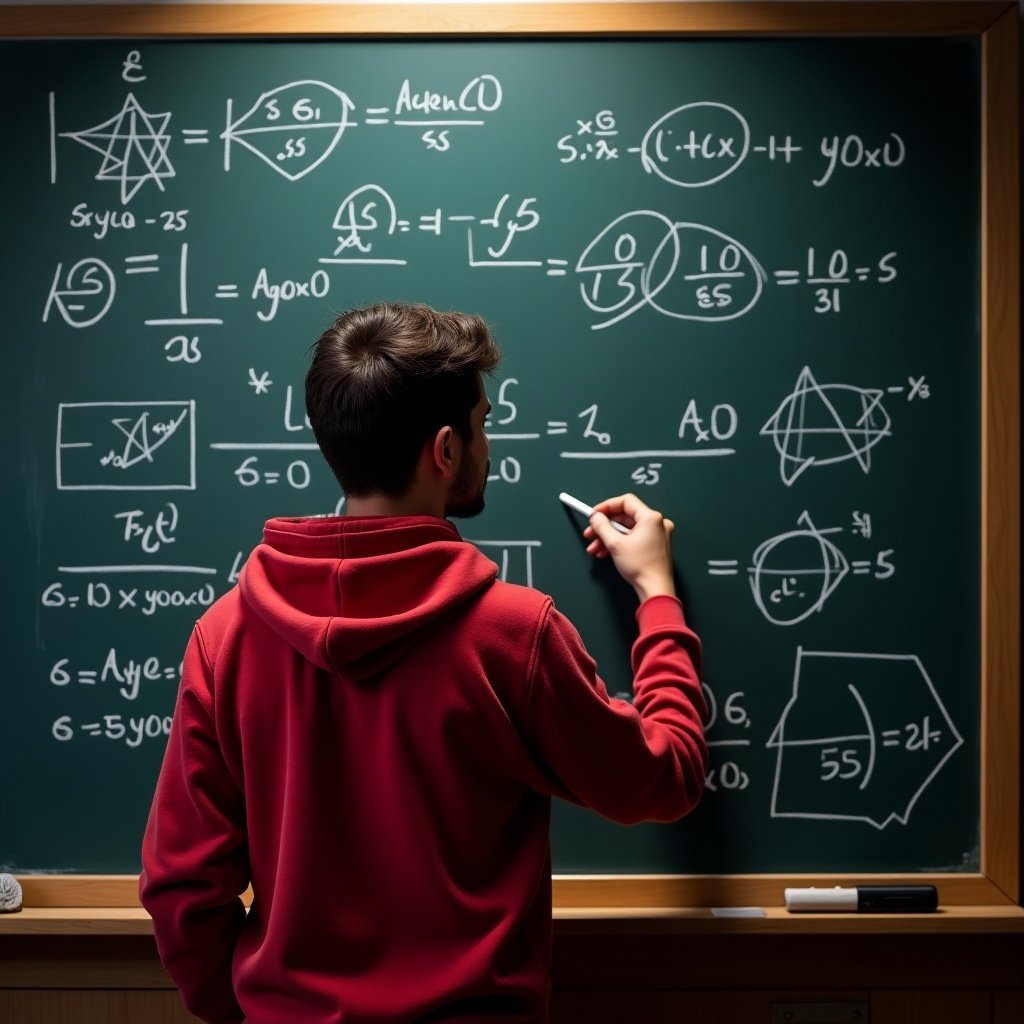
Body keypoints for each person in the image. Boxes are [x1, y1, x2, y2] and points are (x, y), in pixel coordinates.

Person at [140, 302, 708, 1024]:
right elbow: (661, 778)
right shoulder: (513, 633)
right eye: (483, 423)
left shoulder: (224, 637)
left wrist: (248, 1011)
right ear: (444, 450)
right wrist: (657, 596)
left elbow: (180, 884)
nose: (487, 442)